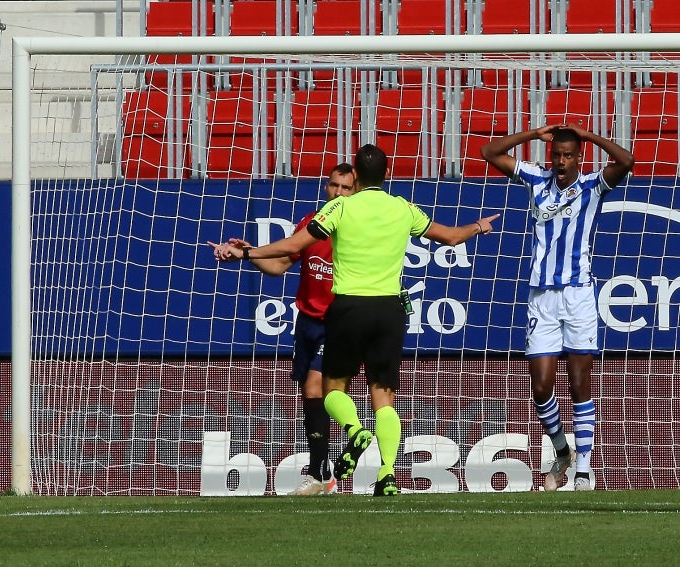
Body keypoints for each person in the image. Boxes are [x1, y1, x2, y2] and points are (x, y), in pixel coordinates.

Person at [210, 144, 500, 496]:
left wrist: (246, 251)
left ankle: (354, 432)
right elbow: (452, 237)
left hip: (347, 309)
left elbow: (293, 244)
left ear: (357, 179)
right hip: (389, 310)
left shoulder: (340, 209)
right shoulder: (402, 208)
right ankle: (388, 473)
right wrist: (478, 225)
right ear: (387, 175)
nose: (339, 190)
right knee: (384, 394)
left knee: (329, 389)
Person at [481, 124, 634, 492]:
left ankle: (583, 472)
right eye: (557, 155)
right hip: (542, 298)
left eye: (568, 156)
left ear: (579, 157)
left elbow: (626, 161)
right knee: (540, 386)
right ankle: (562, 451)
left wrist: (588, 135)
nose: (561, 162)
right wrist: (534, 134)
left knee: (580, 383)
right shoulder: (536, 179)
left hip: (579, 296)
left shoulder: (593, 186)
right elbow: (490, 152)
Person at [219, 163, 356, 496]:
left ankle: (324, 471)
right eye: (333, 185)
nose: (337, 192)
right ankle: (323, 471)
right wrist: (245, 255)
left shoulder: (356, 229)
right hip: (307, 321)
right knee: (309, 395)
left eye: (345, 188)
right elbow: (279, 265)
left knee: (315, 387)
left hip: (339, 322)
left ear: (356, 192)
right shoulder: (312, 223)